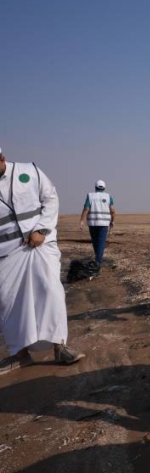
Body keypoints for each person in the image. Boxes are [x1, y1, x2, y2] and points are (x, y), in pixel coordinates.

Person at [0, 146, 85, 375]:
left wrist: (42, 229)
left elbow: (50, 199)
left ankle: (60, 347)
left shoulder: (30, 172)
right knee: (9, 302)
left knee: (50, 291)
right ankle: (19, 354)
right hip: (6, 254)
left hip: (41, 244)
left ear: (3, 159)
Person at [79, 179, 115, 271]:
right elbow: (113, 210)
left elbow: (86, 208)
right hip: (104, 224)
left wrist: (82, 221)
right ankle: (98, 262)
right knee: (101, 242)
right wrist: (112, 221)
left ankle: (97, 261)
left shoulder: (90, 196)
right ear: (104, 187)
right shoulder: (108, 197)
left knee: (95, 242)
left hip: (92, 223)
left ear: (95, 187)